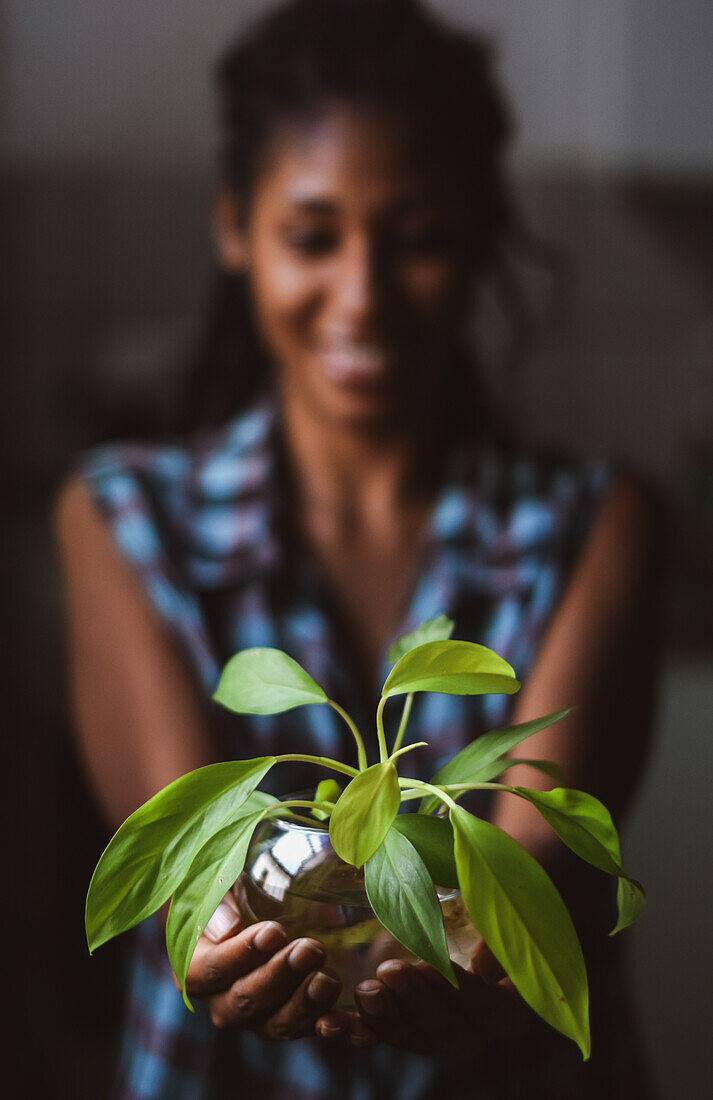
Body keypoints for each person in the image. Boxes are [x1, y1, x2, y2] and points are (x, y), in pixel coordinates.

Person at [54, 1, 667, 1097]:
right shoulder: (121, 516)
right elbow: (188, 845)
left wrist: (483, 957)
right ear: (234, 226)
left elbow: (532, 868)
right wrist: (220, 927)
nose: (363, 293)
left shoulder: (598, 520)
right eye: (311, 234)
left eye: (417, 238)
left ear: (481, 234)